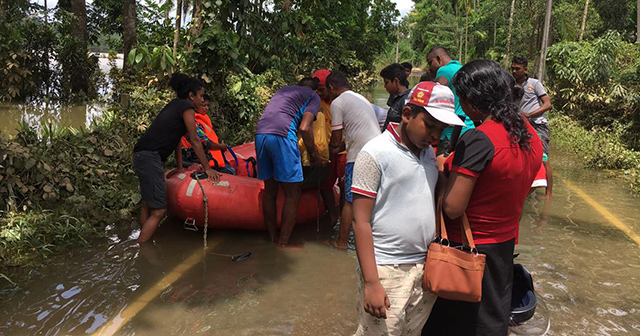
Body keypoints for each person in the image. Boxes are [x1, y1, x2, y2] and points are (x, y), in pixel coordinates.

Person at [426, 60, 543, 336]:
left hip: (467, 248)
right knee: (492, 316)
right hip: (504, 243)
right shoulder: (528, 132)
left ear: (472, 102)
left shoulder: (480, 139)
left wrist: (443, 171)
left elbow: (453, 207)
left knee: (456, 322)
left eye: (461, 98)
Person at [351, 81, 465, 336]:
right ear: (407, 115)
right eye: (430, 125)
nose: (435, 135)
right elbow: (360, 221)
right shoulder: (375, 153)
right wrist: (371, 282)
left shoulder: (428, 156)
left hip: (423, 268)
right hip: (386, 267)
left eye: (441, 129)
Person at [133, 73, 221, 243]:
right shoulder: (187, 107)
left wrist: (180, 168)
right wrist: (208, 168)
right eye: (201, 96)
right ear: (191, 95)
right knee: (159, 211)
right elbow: (195, 140)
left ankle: (146, 238)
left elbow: (177, 141)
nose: (203, 100)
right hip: (150, 156)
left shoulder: (175, 105)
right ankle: (142, 251)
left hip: (142, 153)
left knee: (146, 203)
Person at [255, 78, 326, 246]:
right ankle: (283, 244)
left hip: (261, 134)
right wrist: (314, 155)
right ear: (315, 90)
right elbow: (304, 127)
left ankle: (272, 239)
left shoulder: (284, 90)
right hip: (283, 137)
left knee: (270, 191)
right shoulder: (313, 97)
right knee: (293, 194)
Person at [326, 71, 381, 249]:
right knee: (373, 198)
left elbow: (336, 138)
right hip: (378, 152)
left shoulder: (337, 103)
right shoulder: (361, 99)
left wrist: (329, 152)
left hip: (359, 157)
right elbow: (353, 136)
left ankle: (342, 242)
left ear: (332, 88)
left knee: (349, 200)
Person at [297, 76, 339, 224]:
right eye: (319, 91)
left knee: (325, 184)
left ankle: (333, 216)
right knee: (320, 182)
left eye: (323, 90)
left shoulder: (336, 104)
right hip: (310, 148)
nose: (321, 94)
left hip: (328, 149)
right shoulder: (312, 102)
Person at [512, 56, 553, 198]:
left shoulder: (534, 84)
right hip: (521, 125)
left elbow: (547, 104)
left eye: (518, 69)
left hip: (537, 125)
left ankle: (549, 195)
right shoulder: (511, 85)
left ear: (525, 69)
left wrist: (529, 115)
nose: (514, 71)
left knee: (544, 157)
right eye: (513, 68)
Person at [426, 47, 475, 158]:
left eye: (430, 62)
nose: (430, 67)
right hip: (468, 128)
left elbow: (437, 90)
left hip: (450, 134)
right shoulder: (464, 69)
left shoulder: (444, 70)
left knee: (442, 169)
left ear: (438, 59)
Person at [180, 94, 236, 175]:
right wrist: (221, 146)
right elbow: (205, 143)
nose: (206, 108)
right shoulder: (195, 123)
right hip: (208, 163)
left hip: (215, 161)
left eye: (207, 105)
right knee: (231, 172)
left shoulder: (203, 120)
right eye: (203, 105)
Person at [380, 63, 412, 130]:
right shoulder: (397, 98)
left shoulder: (405, 101)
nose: (385, 86)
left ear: (396, 81)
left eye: (386, 82)